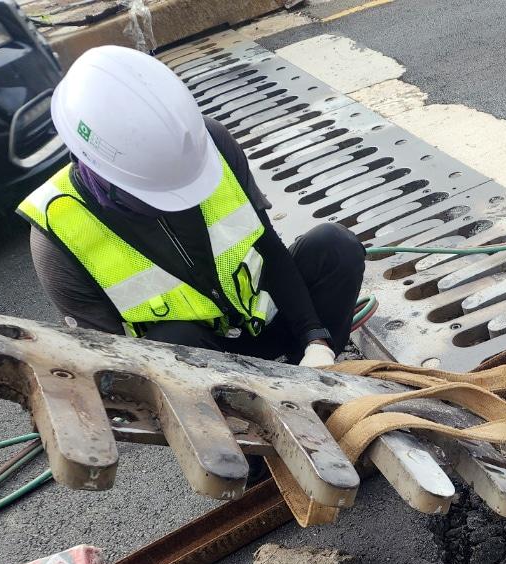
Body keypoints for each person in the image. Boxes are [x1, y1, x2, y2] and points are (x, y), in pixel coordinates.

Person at [19, 45, 364, 368]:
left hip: (265, 325)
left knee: (335, 246)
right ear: (100, 170)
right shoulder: (58, 231)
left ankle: (321, 368)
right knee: (174, 339)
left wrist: (314, 338)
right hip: (198, 367)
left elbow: (266, 245)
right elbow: (113, 358)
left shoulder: (208, 143)